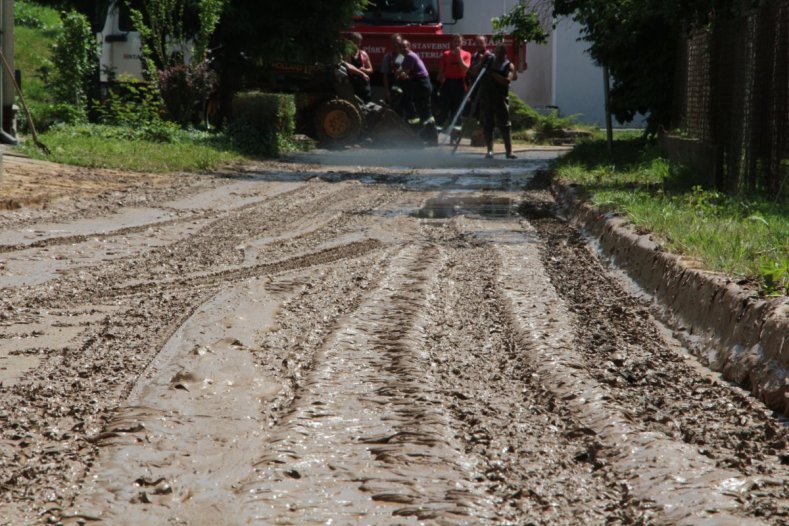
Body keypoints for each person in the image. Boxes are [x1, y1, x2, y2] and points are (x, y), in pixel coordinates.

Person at [477, 43, 517, 159]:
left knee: (505, 124)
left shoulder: (508, 65)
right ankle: (490, 150)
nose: (498, 55)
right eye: (497, 52)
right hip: (486, 98)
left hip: (500, 98)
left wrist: (493, 74)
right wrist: (481, 63)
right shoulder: (488, 63)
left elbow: (507, 81)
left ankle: (509, 151)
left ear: (505, 54)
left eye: (501, 53)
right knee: (487, 123)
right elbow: (474, 72)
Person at [397, 39, 434, 126]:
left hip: (422, 83)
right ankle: (425, 127)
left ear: (409, 47)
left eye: (405, 47)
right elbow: (399, 69)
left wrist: (400, 74)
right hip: (419, 83)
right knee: (422, 107)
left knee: (423, 108)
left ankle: (428, 129)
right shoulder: (404, 56)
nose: (403, 49)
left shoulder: (410, 56)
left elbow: (404, 72)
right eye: (401, 47)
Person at [437, 34, 471, 127]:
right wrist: (440, 83)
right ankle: (437, 134)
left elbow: (465, 69)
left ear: (462, 43)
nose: (456, 43)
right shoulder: (446, 54)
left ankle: (455, 135)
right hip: (447, 83)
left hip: (460, 83)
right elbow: (441, 71)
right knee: (444, 108)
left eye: (458, 41)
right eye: (455, 41)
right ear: (452, 42)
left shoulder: (467, 54)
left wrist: (459, 56)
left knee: (457, 110)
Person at [344, 32, 373, 102]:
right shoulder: (347, 54)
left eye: (359, 42)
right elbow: (348, 67)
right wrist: (361, 72)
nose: (359, 45)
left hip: (363, 85)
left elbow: (371, 70)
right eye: (356, 43)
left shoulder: (363, 54)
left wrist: (364, 70)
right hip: (352, 85)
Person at [381, 33, 404, 106]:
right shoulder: (387, 57)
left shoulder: (405, 56)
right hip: (392, 87)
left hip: (403, 86)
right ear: (391, 44)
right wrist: (386, 90)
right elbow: (385, 75)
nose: (397, 45)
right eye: (395, 43)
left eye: (398, 43)